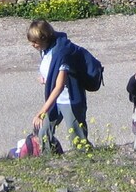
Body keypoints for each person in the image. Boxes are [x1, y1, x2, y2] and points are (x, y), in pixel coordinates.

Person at [27, 19, 90, 152]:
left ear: (44, 38)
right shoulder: (45, 50)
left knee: (77, 139)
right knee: (44, 134)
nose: (32, 45)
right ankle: (51, 160)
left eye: (35, 42)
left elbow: (59, 86)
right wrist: (46, 79)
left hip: (69, 101)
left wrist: (41, 112)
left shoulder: (62, 54)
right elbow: (52, 72)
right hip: (55, 101)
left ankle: (86, 161)